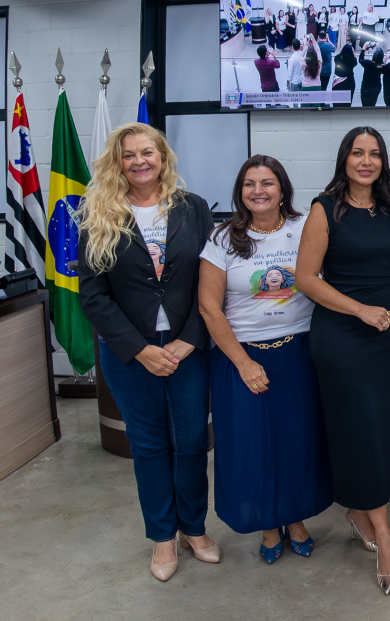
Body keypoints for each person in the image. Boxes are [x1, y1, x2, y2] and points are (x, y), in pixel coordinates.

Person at [76, 123, 218, 582]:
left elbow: (212, 285)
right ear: (117, 163)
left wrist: (188, 340)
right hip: (129, 355)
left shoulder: (193, 209)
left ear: (162, 157)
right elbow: (93, 295)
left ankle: (193, 529)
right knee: (150, 445)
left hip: (187, 349)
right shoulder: (97, 213)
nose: (139, 161)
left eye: (147, 152)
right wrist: (139, 350)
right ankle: (162, 535)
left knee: (194, 441)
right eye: (129, 155)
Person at [197, 155, 332, 565]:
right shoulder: (222, 239)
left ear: (282, 189)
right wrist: (243, 362)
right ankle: (268, 525)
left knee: (298, 441)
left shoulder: (303, 227)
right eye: (250, 183)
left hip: (301, 353)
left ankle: (294, 520)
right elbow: (209, 308)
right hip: (240, 357)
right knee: (251, 446)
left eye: (267, 182)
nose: (259, 190)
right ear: (240, 192)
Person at [295, 127, 390, 595]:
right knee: (358, 426)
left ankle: (360, 511)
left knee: (380, 426)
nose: (367, 161)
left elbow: (387, 266)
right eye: (358, 153)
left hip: (386, 332)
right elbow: (305, 278)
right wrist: (360, 308)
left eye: (375, 154)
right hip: (343, 334)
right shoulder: (325, 210)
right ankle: (385, 534)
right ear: (344, 159)